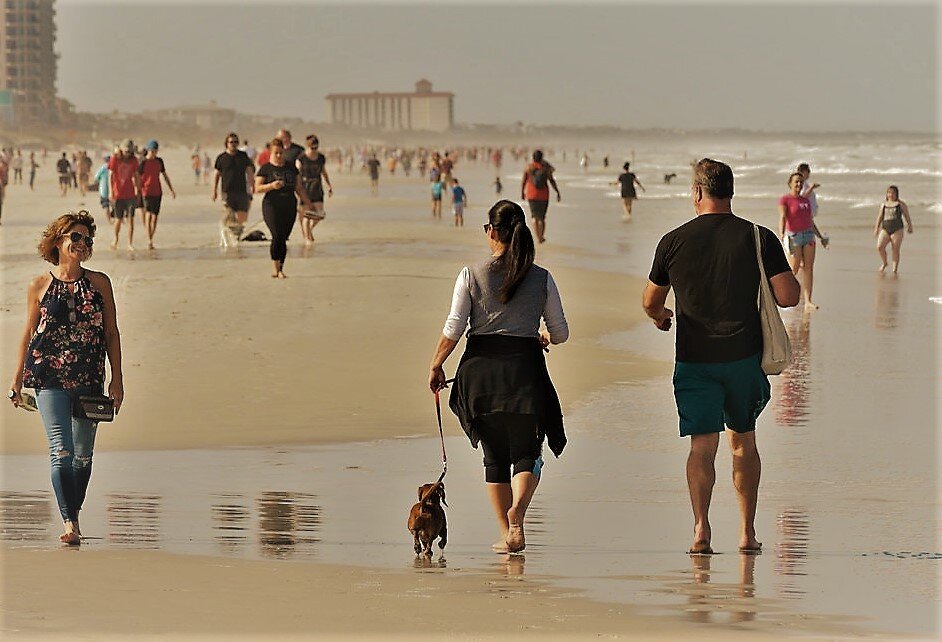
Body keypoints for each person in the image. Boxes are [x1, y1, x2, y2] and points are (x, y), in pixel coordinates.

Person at [643, 158, 799, 555]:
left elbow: (651, 301)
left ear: (697, 192)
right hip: (743, 358)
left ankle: (701, 530)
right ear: (730, 192)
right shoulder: (757, 237)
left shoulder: (673, 240)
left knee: (702, 445)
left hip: (694, 359)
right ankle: (746, 534)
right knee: (743, 442)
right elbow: (788, 297)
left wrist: (661, 317)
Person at [429, 199, 569, 554]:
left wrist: (436, 365)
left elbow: (454, 328)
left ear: (492, 232)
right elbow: (561, 331)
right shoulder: (542, 277)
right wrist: (543, 335)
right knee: (526, 452)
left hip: (481, 376)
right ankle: (518, 516)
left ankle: (507, 531)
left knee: (494, 459)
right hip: (525, 371)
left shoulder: (470, 274)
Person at [8, 210, 124, 545]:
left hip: (89, 377)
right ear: (59, 239)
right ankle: (70, 522)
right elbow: (29, 333)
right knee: (61, 450)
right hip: (48, 376)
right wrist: (16, 380)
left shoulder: (100, 283)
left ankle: (73, 512)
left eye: (87, 239)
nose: (82, 243)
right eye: (75, 236)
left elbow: (112, 333)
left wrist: (117, 379)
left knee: (83, 455)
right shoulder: (39, 285)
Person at [254, 138, 313, 278]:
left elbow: (299, 187)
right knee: (277, 235)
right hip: (271, 205)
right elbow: (257, 188)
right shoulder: (265, 168)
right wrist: (271, 186)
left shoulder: (291, 168)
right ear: (271, 152)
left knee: (283, 237)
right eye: (276, 153)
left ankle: (281, 267)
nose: (279, 156)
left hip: (289, 204)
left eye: (281, 153)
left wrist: (308, 203)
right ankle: (277, 269)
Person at [778, 171, 829, 310]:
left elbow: (810, 221)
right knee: (793, 268)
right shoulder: (785, 200)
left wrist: (820, 237)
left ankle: (808, 301)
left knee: (808, 269)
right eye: (796, 182)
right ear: (790, 184)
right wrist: (782, 234)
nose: (799, 184)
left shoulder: (805, 201)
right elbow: (783, 217)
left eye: (801, 182)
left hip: (808, 235)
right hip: (793, 236)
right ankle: (780, 295)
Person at [212, 133, 255, 238]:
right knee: (229, 215)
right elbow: (217, 175)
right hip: (227, 192)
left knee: (242, 218)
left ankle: (236, 236)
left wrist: (251, 185)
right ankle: (228, 233)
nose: (234, 144)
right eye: (231, 142)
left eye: (236, 142)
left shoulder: (243, 156)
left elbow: (249, 171)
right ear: (226, 143)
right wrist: (214, 191)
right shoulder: (221, 158)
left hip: (241, 191)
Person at [136, 141, 176, 250]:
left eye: (156, 151)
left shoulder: (159, 161)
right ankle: (149, 240)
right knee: (148, 215)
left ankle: (150, 237)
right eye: (152, 151)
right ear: (148, 150)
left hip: (157, 192)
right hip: (146, 192)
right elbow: (137, 177)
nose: (154, 153)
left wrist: (171, 189)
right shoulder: (143, 162)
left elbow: (165, 176)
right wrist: (138, 190)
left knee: (155, 217)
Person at [296, 134, 333, 246]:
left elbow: (324, 172)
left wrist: (329, 185)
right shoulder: (301, 158)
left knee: (320, 214)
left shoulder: (321, 157)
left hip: (317, 186)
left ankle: (309, 230)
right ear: (308, 146)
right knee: (307, 214)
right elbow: (297, 172)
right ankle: (308, 240)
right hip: (305, 187)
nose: (314, 150)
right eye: (312, 148)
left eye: (316, 147)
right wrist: (297, 188)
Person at [520, 150, 560, 244]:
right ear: (542, 157)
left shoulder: (529, 167)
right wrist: (557, 192)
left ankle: (537, 237)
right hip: (544, 195)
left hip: (531, 194)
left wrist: (522, 192)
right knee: (542, 218)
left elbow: (523, 181)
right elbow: (552, 180)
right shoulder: (545, 168)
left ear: (533, 157)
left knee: (534, 217)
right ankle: (541, 237)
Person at [108, 141, 141, 250]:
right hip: (118, 194)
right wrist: (110, 192)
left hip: (130, 194)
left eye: (129, 151)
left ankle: (130, 243)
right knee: (118, 219)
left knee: (131, 219)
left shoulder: (134, 160)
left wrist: (138, 190)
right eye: (126, 151)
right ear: (122, 150)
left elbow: (136, 176)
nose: (127, 153)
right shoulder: (115, 158)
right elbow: (110, 175)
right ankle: (116, 239)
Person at [874, 185, 913, 274]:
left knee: (895, 249)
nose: (890, 195)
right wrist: (876, 228)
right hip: (885, 228)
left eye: (892, 193)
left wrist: (910, 226)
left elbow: (907, 216)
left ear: (896, 194)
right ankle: (885, 263)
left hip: (897, 229)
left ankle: (894, 270)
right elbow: (879, 217)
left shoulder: (901, 204)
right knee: (880, 246)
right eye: (889, 193)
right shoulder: (883, 204)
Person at [93, 155, 112, 223]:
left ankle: (109, 220)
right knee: (114, 206)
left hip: (103, 190)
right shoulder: (113, 167)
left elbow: (96, 178)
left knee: (106, 206)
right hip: (113, 190)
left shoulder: (103, 168)